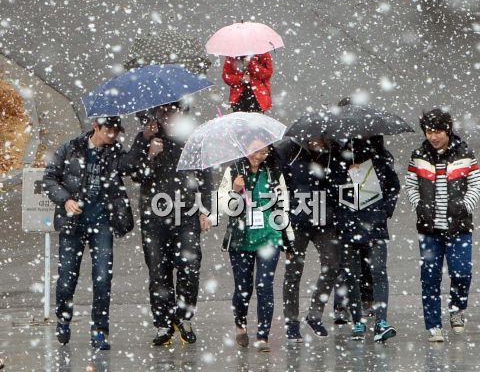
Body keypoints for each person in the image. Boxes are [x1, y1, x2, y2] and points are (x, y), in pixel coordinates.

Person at [43, 115, 153, 350]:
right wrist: (65, 200)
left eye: (116, 131)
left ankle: (99, 331)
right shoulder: (71, 148)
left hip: (102, 224)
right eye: (109, 130)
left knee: (103, 279)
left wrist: (143, 138)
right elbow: (50, 178)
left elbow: (130, 165)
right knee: (66, 279)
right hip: (73, 224)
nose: (112, 135)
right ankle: (63, 319)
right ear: (96, 127)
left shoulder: (115, 153)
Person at [131, 102, 212, 347]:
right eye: (162, 110)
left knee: (190, 264)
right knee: (158, 271)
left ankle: (184, 317)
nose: (167, 115)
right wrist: (149, 154)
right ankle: (163, 322)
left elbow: (204, 175)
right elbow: (134, 174)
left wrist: (204, 208)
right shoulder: (147, 137)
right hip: (154, 216)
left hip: (186, 212)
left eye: (172, 110)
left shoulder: (192, 137)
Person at [405, 108, 480, 342]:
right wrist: (419, 205)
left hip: (459, 227)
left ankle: (457, 309)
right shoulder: (418, 155)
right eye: (429, 131)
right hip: (429, 229)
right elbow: (411, 185)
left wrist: (464, 207)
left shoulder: (465, 154)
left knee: (462, 271)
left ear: (448, 130)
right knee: (429, 277)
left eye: (438, 131)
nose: (433, 136)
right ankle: (433, 325)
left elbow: (476, 185)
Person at [219, 141, 294, 351]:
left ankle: (263, 336)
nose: (258, 155)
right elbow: (224, 206)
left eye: (263, 151)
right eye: (254, 150)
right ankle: (240, 324)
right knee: (243, 288)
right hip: (242, 238)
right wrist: (234, 190)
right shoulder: (234, 170)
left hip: (270, 236)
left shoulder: (273, 173)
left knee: (264, 286)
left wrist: (289, 240)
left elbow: (283, 206)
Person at [277, 136, 347, 341]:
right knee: (293, 272)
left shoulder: (334, 153)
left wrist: (332, 171)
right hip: (297, 219)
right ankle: (291, 321)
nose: (317, 141)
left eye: (322, 138)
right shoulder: (289, 151)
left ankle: (315, 315)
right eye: (313, 138)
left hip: (325, 219)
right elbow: (280, 185)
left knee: (332, 265)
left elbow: (340, 185)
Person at [333, 136, 400, 343]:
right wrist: (346, 176)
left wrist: (383, 211)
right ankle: (358, 322)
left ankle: (381, 321)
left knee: (378, 272)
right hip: (349, 225)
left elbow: (393, 186)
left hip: (374, 226)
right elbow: (331, 190)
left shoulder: (381, 159)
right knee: (353, 275)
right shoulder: (339, 160)